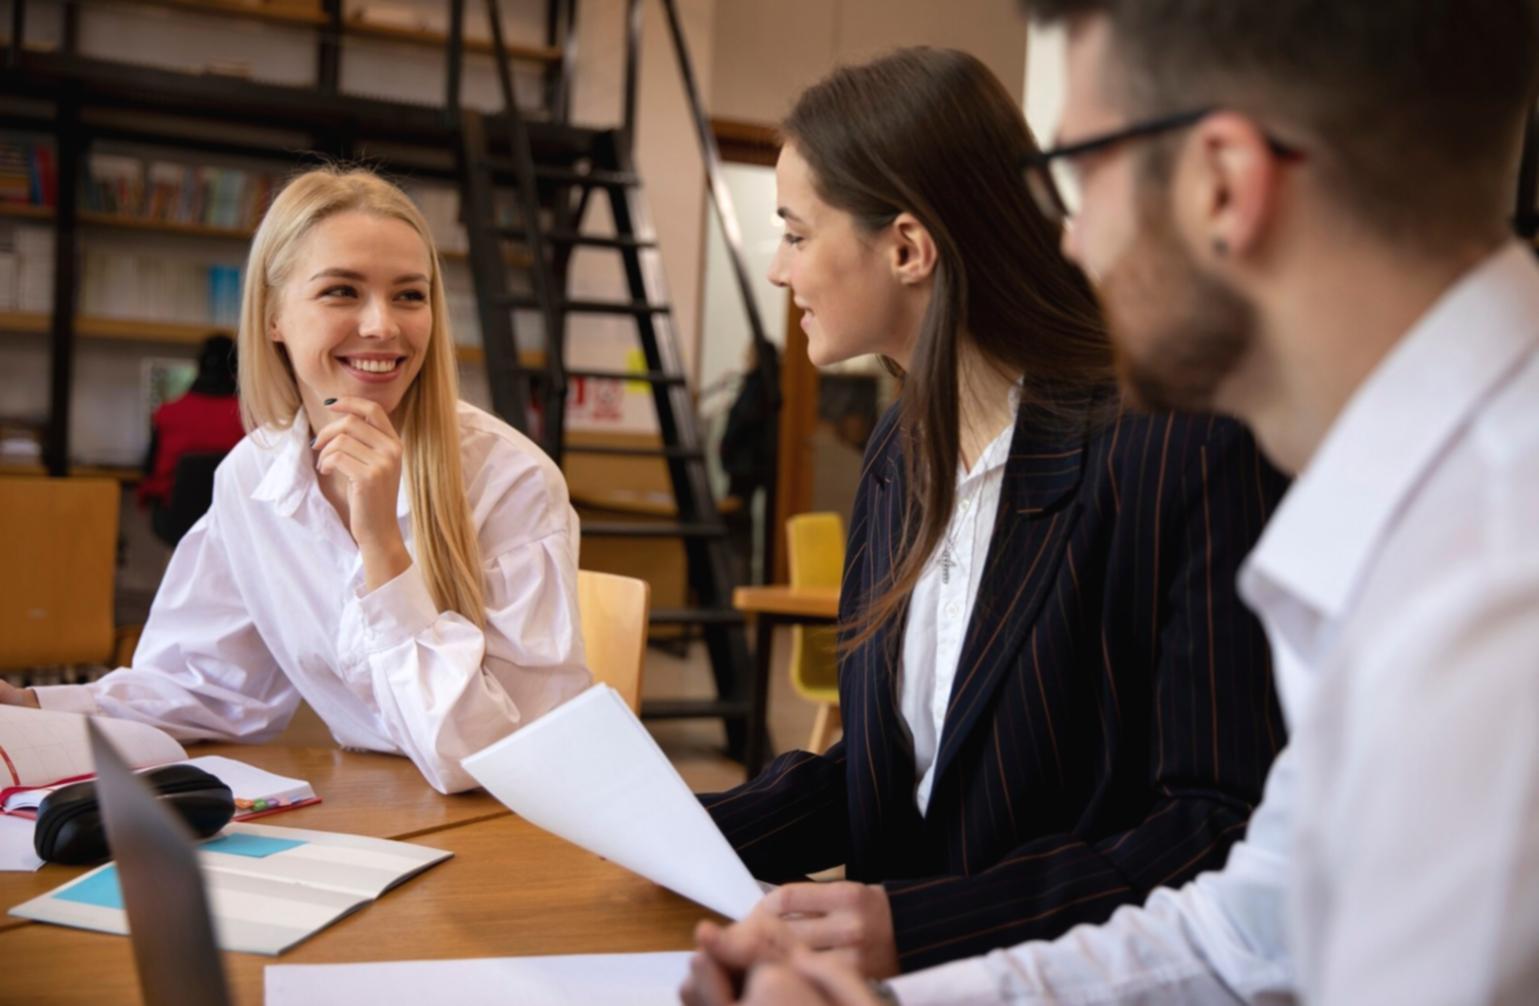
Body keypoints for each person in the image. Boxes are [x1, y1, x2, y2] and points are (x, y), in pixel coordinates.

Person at [686, 0, 1539, 1002]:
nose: (1071, 241)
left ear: (1222, 185)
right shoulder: (1406, 508)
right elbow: (1241, 933)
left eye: (1079, 173)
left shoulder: (1490, 587)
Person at [691, 46, 1288, 986]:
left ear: (906, 247)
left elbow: (1215, 824)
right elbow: (894, 771)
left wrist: (922, 927)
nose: (777, 269)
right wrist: (675, 831)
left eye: (795, 234)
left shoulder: (1178, 447)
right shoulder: (898, 455)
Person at [0, 167, 591, 794]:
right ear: (274, 316)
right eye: (342, 291)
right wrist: (29, 704)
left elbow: (501, 755)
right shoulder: (252, 475)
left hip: (514, 822)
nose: (382, 326)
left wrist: (382, 550)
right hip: (387, 805)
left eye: (410, 296)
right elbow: (209, 685)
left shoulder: (512, 479)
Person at [138, 333, 245, 545]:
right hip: (235, 522)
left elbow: (149, 472)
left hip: (175, 522)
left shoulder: (167, 414)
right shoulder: (251, 419)